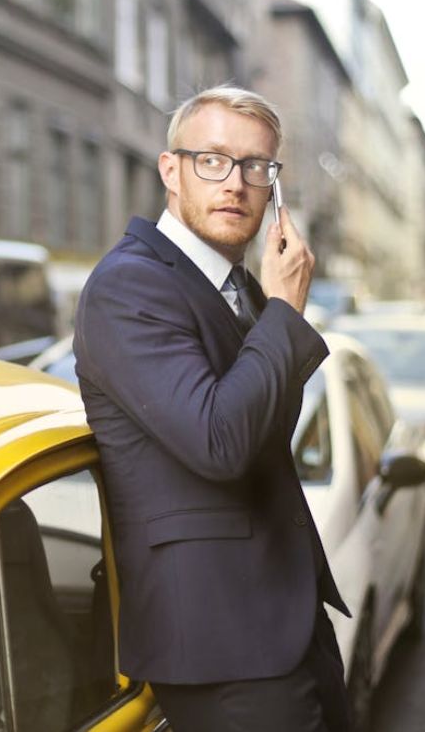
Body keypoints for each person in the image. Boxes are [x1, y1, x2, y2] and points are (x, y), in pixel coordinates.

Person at [73, 86, 351, 731]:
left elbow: (264, 433)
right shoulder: (129, 284)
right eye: (213, 160)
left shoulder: (240, 287)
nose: (235, 183)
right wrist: (284, 314)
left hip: (285, 619)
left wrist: (272, 310)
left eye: (256, 166)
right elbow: (220, 442)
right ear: (171, 171)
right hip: (220, 643)